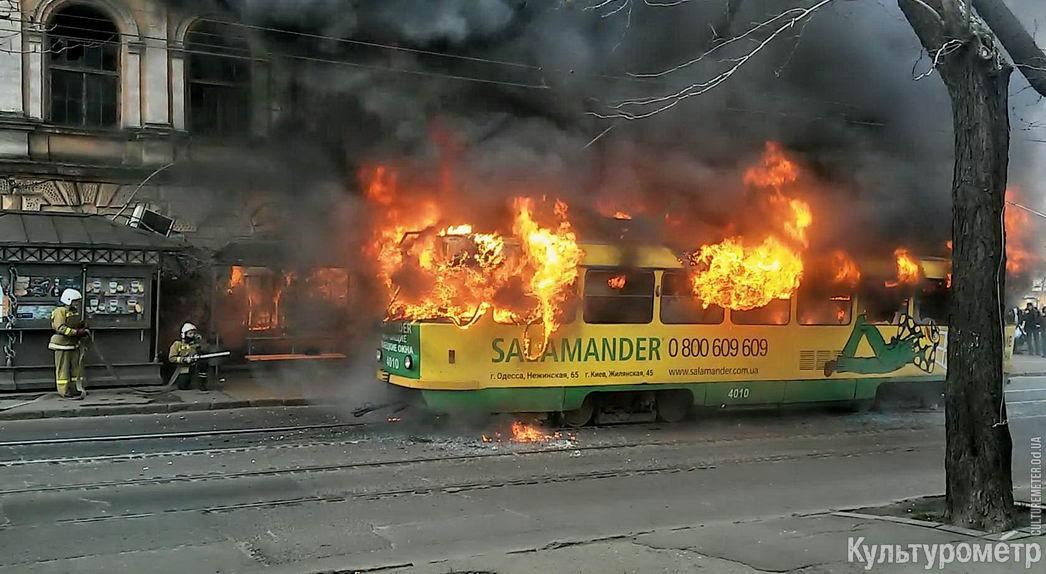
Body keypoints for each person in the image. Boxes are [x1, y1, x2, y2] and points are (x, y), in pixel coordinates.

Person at [48, 288, 88, 398]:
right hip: (61, 344)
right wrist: (77, 332)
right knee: (63, 369)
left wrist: (82, 327)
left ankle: (76, 388)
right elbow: (61, 328)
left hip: (73, 344)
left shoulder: (73, 312)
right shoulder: (59, 311)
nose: (77, 303)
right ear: (68, 299)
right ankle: (64, 391)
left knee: (76, 369)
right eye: (75, 301)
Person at [169, 322, 206, 390]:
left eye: (194, 333)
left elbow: (205, 350)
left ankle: (202, 384)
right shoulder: (177, 344)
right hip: (184, 367)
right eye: (190, 333)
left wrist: (201, 341)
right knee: (183, 386)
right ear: (184, 335)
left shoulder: (196, 345)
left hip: (195, 366)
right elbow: (171, 358)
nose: (192, 335)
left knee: (203, 364)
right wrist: (184, 359)